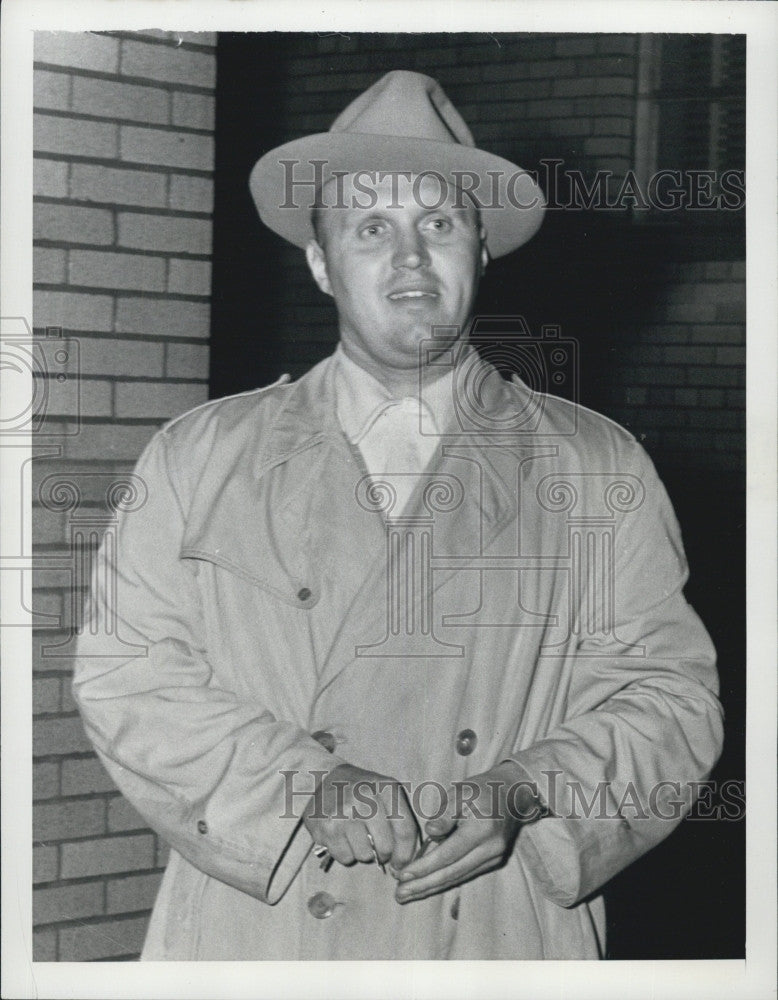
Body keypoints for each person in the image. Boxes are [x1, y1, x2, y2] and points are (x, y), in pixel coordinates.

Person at [73, 70, 723, 960]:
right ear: (320, 262)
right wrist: (303, 784)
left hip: (494, 929)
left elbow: (671, 699)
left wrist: (524, 790)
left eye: (439, 224)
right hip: (261, 930)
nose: (411, 258)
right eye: (371, 228)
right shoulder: (199, 457)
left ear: (481, 251)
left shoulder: (597, 466)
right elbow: (129, 676)